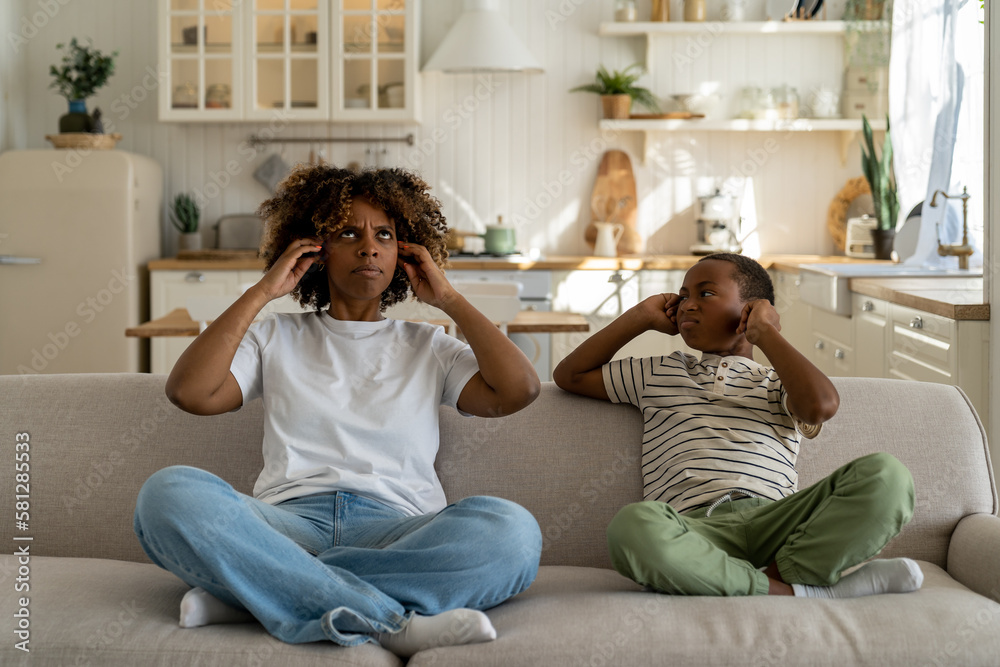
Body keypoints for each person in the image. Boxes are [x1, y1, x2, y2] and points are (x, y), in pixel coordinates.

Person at [133, 165, 542, 656]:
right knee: (168, 494)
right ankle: (391, 622)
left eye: (384, 235)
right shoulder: (274, 336)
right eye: (349, 232)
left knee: (513, 534)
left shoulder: (429, 344)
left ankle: (259, 592)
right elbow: (190, 393)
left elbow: (519, 390)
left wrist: (449, 298)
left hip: (398, 530)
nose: (369, 246)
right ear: (315, 252)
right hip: (285, 527)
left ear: (403, 255)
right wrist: (262, 291)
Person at [553, 253, 922, 599]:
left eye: (706, 293)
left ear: (751, 311)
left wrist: (767, 334)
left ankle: (759, 579)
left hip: (776, 522)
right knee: (632, 526)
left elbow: (821, 406)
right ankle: (793, 591)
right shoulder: (660, 371)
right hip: (693, 530)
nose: (687, 304)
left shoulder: (779, 382)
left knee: (888, 475)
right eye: (682, 296)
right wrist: (639, 316)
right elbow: (569, 375)